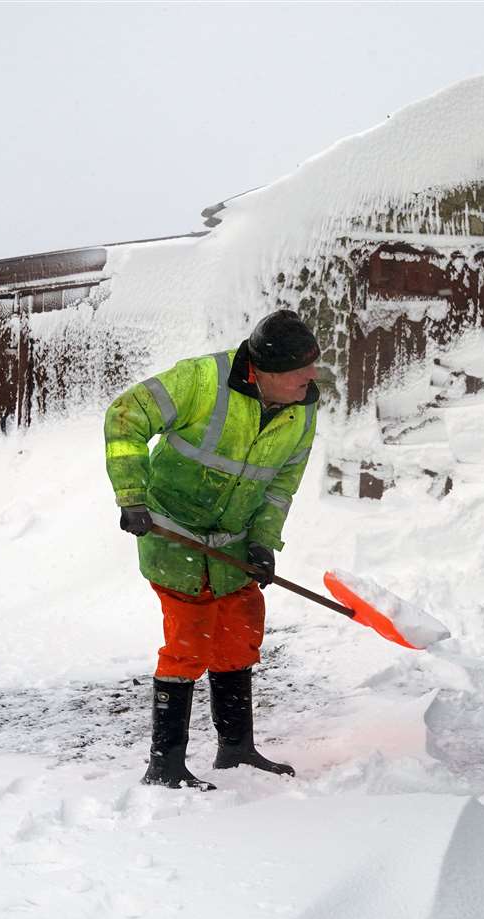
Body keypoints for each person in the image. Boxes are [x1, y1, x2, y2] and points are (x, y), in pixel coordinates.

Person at [103, 310, 321, 789]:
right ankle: (165, 765)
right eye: (298, 371)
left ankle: (237, 749)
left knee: (240, 633)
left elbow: (281, 484)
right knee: (189, 640)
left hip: (234, 544)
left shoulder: (304, 407)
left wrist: (264, 542)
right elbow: (125, 417)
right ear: (262, 371)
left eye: (312, 366)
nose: (311, 378)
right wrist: (131, 496)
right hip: (171, 533)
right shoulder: (201, 381)